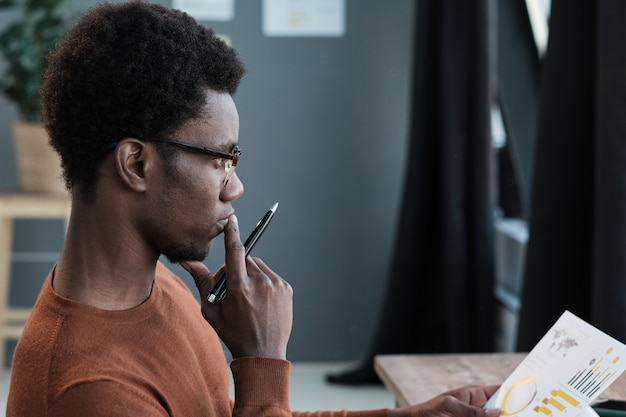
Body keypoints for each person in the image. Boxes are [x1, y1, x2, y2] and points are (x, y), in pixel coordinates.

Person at [6, 2, 502, 416]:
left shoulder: (161, 290)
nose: (236, 188)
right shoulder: (93, 390)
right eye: (221, 160)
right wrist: (262, 360)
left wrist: (413, 415)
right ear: (137, 163)